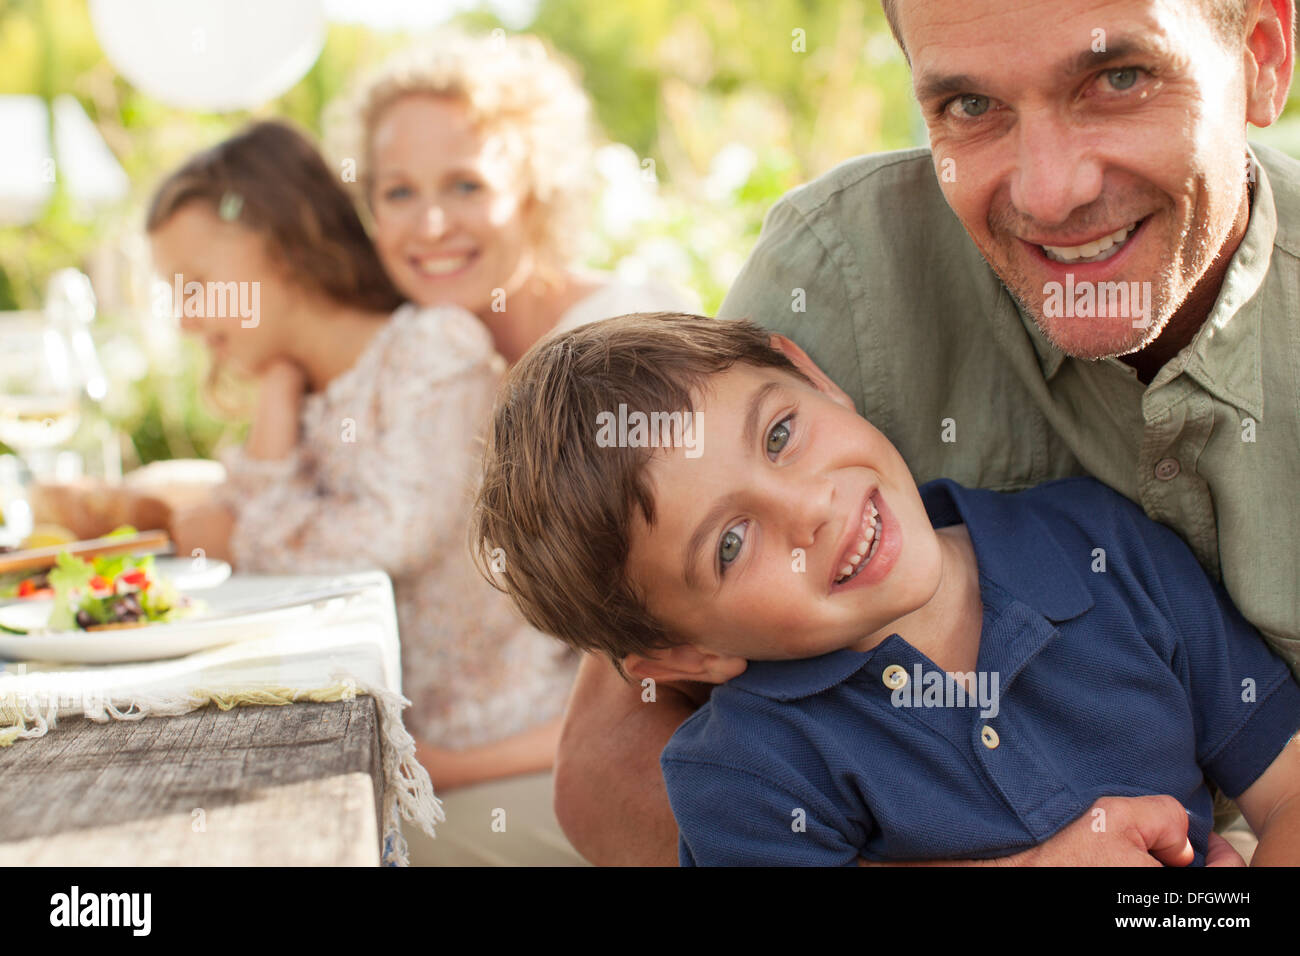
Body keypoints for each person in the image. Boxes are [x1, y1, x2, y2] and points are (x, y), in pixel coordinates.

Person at [553, 0, 1300, 865]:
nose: (1050, 192)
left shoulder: (1102, 549)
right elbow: (608, 770)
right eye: (972, 107)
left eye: (1119, 79)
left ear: (1263, 58)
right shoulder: (842, 276)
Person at [471, 311, 1300, 866]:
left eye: (780, 434)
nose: (810, 509)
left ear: (811, 374)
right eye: (730, 543)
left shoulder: (1098, 546)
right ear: (690, 651)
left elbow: (1288, 783)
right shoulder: (744, 774)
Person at [325, 31, 695, 863]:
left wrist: (447, 766)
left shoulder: (617, 344)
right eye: (398, 191)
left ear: (535, 186)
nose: (429, 224)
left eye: (466, 184)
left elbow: (688, 666)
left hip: (644, 769)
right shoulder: (446, 358)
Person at [143, 122, 581, 825]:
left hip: (491, 738)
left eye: (195, 285)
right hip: (376, 742)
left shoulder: (432, 347)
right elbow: (231, 529)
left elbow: (391, 532)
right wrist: (278, 404)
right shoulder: (304, 393)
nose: (188, 319)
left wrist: (237, 527)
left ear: (286, 244)